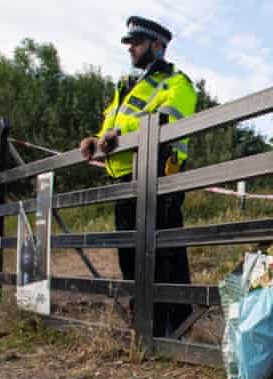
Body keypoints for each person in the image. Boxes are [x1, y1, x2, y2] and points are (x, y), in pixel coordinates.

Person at [79, 16, 196, 337]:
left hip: (159, 173)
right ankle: (144, 323)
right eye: (129, 43)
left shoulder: (177, 82)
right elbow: (111, 128)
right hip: (124, 176)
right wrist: (95, 141)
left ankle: (174, 327)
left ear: (157, 46)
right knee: (129, 252)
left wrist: (120, 132)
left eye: (137, 43)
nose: (130, 48)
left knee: (165, 251)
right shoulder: (126, 87)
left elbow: (167, 118)